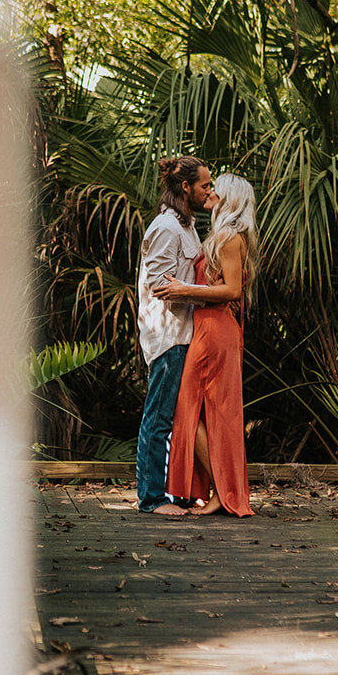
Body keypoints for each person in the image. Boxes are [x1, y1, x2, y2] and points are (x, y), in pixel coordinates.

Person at [153, 173, 257, 517]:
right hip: (206, 329)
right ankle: (220, 490)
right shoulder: (220, 235)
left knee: (197, 410)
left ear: (231, 198)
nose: (210, 192)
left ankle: (221, 491)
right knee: (197, 411)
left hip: (215, 330)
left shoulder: (228, 237)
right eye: (208, 187)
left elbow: (231, 291)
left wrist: (184, 290)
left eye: (217, 189)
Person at [135, 156, 214, 515]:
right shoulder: (166, 227)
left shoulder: (188, 226)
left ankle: (176, 491)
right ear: (186, 188)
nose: (209, 191)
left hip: (187, 333)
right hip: (167, 336)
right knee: (160, 416)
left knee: (180, 417)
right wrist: (208, 294)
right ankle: (151, 499)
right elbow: (158, 285)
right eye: (205, 186)